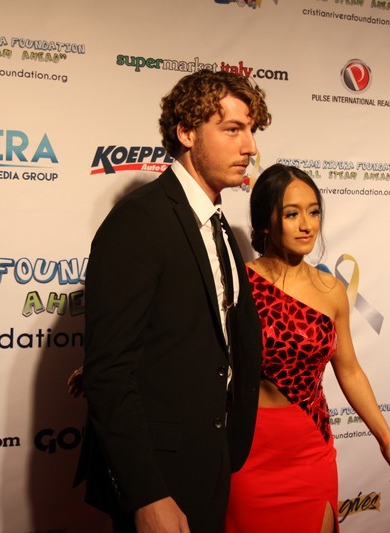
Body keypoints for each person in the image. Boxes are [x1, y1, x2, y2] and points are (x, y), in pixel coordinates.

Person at [74, 69, 270, 532]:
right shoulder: (140, 221)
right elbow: (108, 373)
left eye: (251, 131)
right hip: (158, 475)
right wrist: (146, 494)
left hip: (211, 459)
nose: (250, 147)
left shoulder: (219, 226)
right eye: (232, 129)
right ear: (186, 132)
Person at [224, 164, 390, 532]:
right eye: (292, 214)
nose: (307, 225)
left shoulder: (332, 291)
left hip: (311, 450)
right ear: (266, 222)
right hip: (248, 453)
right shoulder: (239, 285)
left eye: (313, 212)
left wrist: (387, 441)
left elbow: (350, 371)